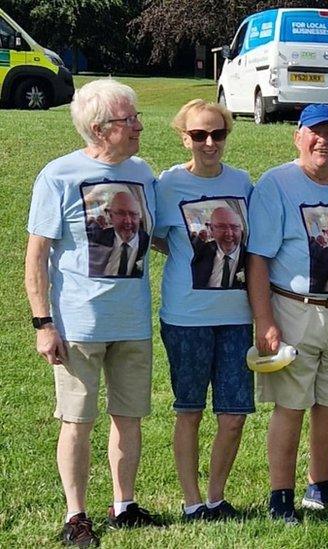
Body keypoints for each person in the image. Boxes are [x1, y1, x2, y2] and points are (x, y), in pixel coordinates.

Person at [26, 79, 161, 547]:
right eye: (132, 120)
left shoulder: (143, 173)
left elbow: (161, 235)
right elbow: (36, 255)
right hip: (77, 325)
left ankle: (124, 505)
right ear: (102, 129)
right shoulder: (59, 175)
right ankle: (76, 515)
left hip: (133, 322)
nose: (141, 125)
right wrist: (44, 323)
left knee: (129, 418)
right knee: (78, 420)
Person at [247, 104, 328, 523]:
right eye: (315, 132)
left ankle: (320, 486)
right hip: (295, 309)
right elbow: (258, 261)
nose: (324, 140)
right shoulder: (277, 184)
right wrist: (265, 320)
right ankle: (280, 496)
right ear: (298, 136)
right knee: (290, 406)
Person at [154, 99, 253, 521]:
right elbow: (156, 237)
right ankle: (192, 501)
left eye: (218, 134)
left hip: (237, 318)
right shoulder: (168, 185)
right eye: (199, 135)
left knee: (234, 415)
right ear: (184, 137)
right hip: (186, 318)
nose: (209, 142)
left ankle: (216, 497)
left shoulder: (244, 183)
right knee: (189, 409)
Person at [87, 190, 150, 278]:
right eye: (121, 214)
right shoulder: (99, 239)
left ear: (139, 217)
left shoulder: (147, 240)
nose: (128, 221)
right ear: (111, 216)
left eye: (133, 214)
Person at [190, 207, 246, 289]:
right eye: (222, 227)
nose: (229, 234)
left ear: (241, 231)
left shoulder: (251, 257)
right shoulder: (200, 253)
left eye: (234, 227)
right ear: (212, 230)